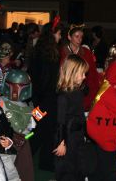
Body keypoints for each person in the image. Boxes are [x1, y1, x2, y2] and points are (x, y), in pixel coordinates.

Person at [87, 62, 116, 181]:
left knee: (105, 168)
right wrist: (106, 138)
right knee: (108, 169)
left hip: (114, 142)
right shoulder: (106, 94)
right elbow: (95, 121)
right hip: (105, 141)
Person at [29, 21, 63, 171]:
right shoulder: (50, 54)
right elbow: (47, 80)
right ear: (52, 34)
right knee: (44, 130)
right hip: (48, 100)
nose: (60, 36)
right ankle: (42, 161)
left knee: (38, 129)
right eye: (59, 33)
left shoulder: (39, 50)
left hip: (39, 99)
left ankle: (41, 160)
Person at [54, 54, 89, 181]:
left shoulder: (78, 91)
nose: (85, 77)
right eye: (82, 73)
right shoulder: (63, 96)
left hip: (77, 136)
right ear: (72, 73)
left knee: (79, 166)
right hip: (67, 137)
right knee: (67, 170)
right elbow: (60, 121)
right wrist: (61, 142)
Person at [60, 24, 100, 111]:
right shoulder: (61, 52)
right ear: (69, 37)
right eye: (76, 36)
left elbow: (93, 74)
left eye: (81, 36)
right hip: (65, 91)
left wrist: (92, 94)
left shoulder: (86, 53)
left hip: (82, 93)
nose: (79, 39)